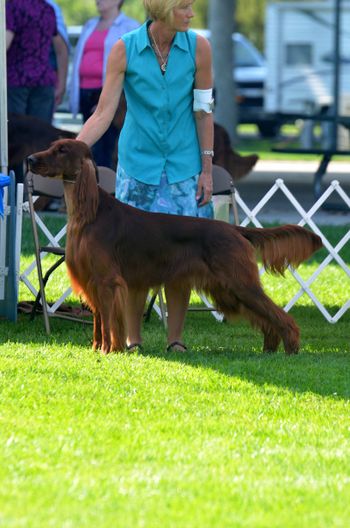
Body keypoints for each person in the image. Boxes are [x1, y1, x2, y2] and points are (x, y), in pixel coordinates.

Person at [77, 0, 214, 352]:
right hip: (137, 168)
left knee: (182, 260)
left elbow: (204, 112)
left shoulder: (199, 47)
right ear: (164, 10)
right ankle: (133, 339)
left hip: (184, 168)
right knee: (131, 258)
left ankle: (176, 339)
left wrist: (207, 169)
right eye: (185, 7)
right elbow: (104, 112)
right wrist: (73, 149)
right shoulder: (124, 50)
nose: (192, 14)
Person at [70, 0, 139, 168]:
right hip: (85, 91)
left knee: (106, 148)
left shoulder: (130, 26)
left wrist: (115, 99)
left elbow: (134, 64)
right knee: (90, 147)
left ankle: (105, 188)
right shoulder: (90, 24)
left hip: (109, 93)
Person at [6, 0, 68, 123]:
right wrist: (62, 84)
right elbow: (60, 49)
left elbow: (4, 45)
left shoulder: (12, 7)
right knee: (41, 135)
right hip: (44, 80)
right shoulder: (48, 9)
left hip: (16, 80)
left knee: (15, 135)